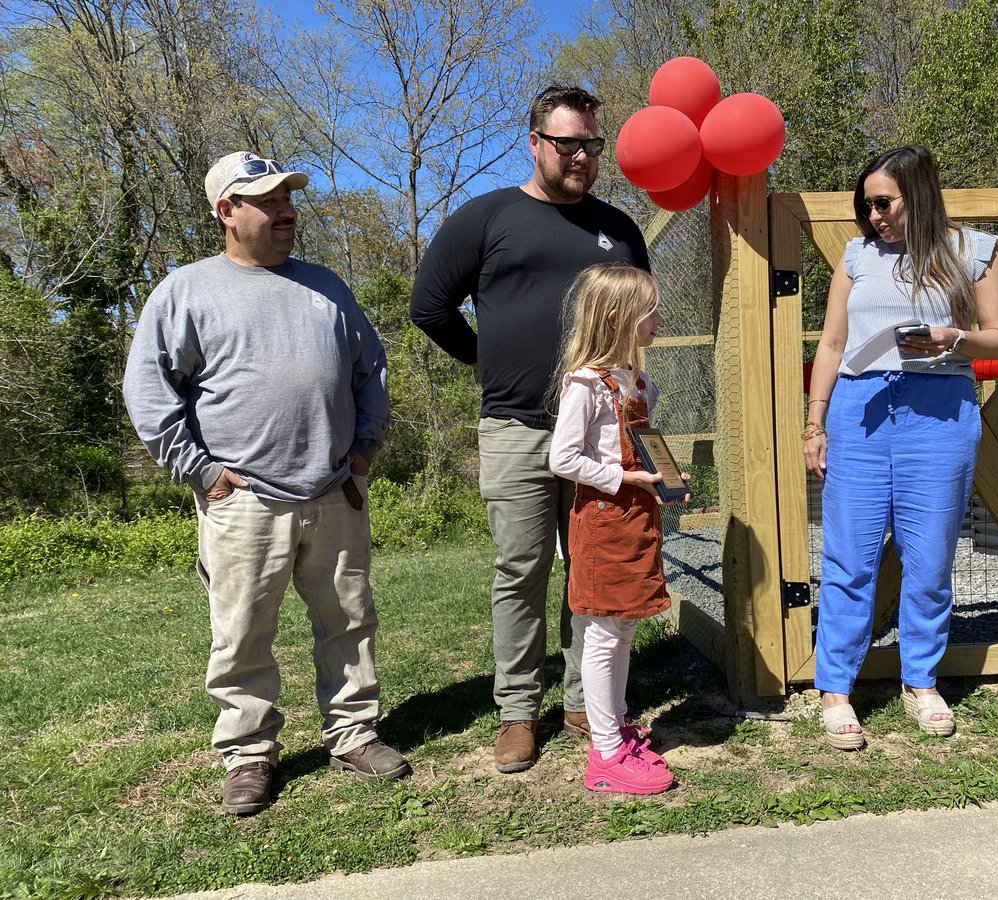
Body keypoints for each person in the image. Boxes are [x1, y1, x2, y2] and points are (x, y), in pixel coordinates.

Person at [123, 151, 410, 816]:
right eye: (268, 201)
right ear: (227, 211)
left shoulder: (326, 286)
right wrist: (201, 471)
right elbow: (149, 392)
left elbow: (371, 371)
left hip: (334, 492)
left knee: (348, 622)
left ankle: (354, 734)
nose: (286, 211)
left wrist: (363, 452)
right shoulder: (185, 291)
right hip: (244, 501)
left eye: (287, 198)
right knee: (242, 633)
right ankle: (249, 754)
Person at [410, 86, 651, 774]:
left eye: (592, 145)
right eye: (567, 143)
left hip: (602, 431)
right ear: (535, 143)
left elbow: (637, 319)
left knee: (593, 566)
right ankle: (518, 710)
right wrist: (488, 361)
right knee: (522, 568)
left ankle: (584, 701)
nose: (581, 157)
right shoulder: (487, 217)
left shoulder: (619, 229)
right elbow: (430, 306)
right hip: (516, 428)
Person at [802, 146, 998, 749]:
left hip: (940, 413)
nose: (874, 217)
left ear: (918, 195)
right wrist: (815, 423)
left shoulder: (977, 252)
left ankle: (921, 680)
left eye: (884, 203)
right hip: (860, 411)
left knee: (930, 557)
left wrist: (953, 339)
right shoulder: (857, 256)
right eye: (867, 206)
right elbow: (833, 343)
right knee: (849, 555)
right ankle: (835, 688)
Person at [548, 263, 684, 795]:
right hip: (603, 523)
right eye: (650, 312)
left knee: (624, 628)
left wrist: (664, 481)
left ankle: (617, 728)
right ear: (615, 317)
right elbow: (563, 458)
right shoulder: (585, 384)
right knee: (603, 634)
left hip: (637, 519)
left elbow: (643, 450)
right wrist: (624, 478)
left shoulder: (639, 383)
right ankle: (605, 753)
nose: (658, 321)